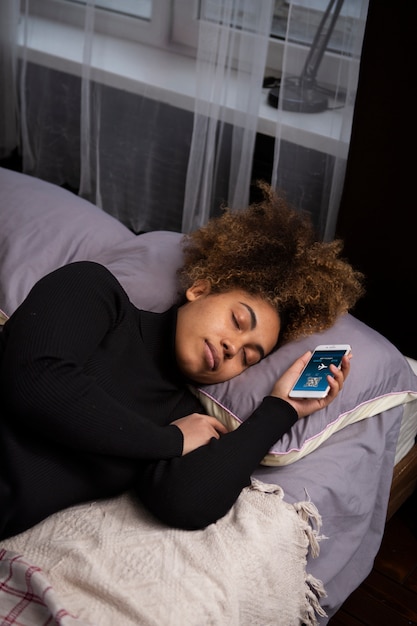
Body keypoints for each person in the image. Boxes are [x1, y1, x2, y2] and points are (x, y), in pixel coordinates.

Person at [0, 183, 364, 540]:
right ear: (199, 290)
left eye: (248, 356)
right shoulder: (93, 290)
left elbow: (184, 503)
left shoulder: (186, 416)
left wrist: (280, 410)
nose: (231, 348)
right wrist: (168, 441)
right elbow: (37, 383)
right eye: (237, 322)